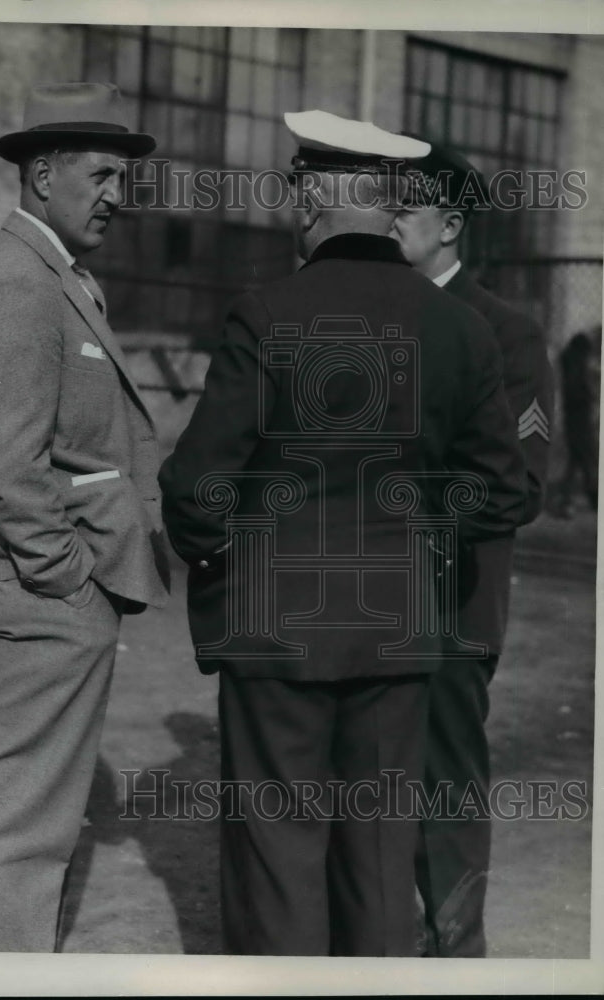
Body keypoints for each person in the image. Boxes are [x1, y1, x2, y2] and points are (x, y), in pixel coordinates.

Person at [159, 111, 528, 956]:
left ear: (320, 195)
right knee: (375, 855)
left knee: (278, 857)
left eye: (299, 188)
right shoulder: (459, 328)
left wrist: (224, 558)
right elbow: (503, 493)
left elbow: (196, 484)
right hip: (400, 637)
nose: (295, 205)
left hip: (274, 633)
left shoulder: (266, 313)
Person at [0, 83, 170, 952]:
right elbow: (10, 466)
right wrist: (67, 582)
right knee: (20, 824)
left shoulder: (59, 276)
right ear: (43, 175)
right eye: (104, 173)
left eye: (123, 175)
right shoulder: (22, 284)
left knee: (38, 818)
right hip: (47, 593)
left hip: (61, 591)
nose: (119, 193)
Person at [388, 138, 553, 957]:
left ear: (451, 224)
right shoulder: (366, 314)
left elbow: (514, 486)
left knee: (443, 786)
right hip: (363, 603)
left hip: (452, 600)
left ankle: (456, 956)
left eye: (402, 211)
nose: (384, 224)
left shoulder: (507, 334)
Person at [558, 331, 598, 515]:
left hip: (573, 420)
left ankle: (572, 499)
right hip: (581, 420)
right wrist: (592, 396)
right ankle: (589, 497)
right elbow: (583, 393)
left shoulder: (569, 363)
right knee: (587, 459)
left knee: (577, 460)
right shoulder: (578, 367)